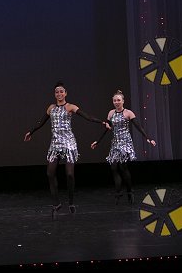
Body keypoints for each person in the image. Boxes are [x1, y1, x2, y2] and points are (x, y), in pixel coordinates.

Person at [24, 82, 106, 213]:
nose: (59, 94)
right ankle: (56, 203)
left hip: (68, 143)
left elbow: (87, 116)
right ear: (54, 94)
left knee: (70, 174)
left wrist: (101, 122)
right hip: (55, 144)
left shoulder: (70, 107)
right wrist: (31, 132)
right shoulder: (51, 108)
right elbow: (41, 122)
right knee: (50, 173)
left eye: (61, 91)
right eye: (57, 92)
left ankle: (71, 202)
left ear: (65, 93)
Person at [90, 89, 156, 204]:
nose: (116, 102)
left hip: (125, 142)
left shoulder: (128, 113)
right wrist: (98, 141)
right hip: (115, 143)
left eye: (118, 100)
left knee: (123, 167)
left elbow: (138, 126)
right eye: (115, 100)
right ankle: (118, 192)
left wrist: (148, 138)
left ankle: (129, 191)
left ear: (123, 101)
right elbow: (107, 128)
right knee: (113, 167)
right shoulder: (111, 113)